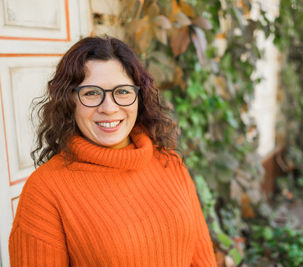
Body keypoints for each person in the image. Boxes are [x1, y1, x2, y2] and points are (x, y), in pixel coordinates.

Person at [8, 36, 217, 266]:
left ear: (139, 96)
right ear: (70, 101)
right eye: (91, 93)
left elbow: (202, 258)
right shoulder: (45, 190)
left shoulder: (169, 162)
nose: (109, 108)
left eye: (123, 91)